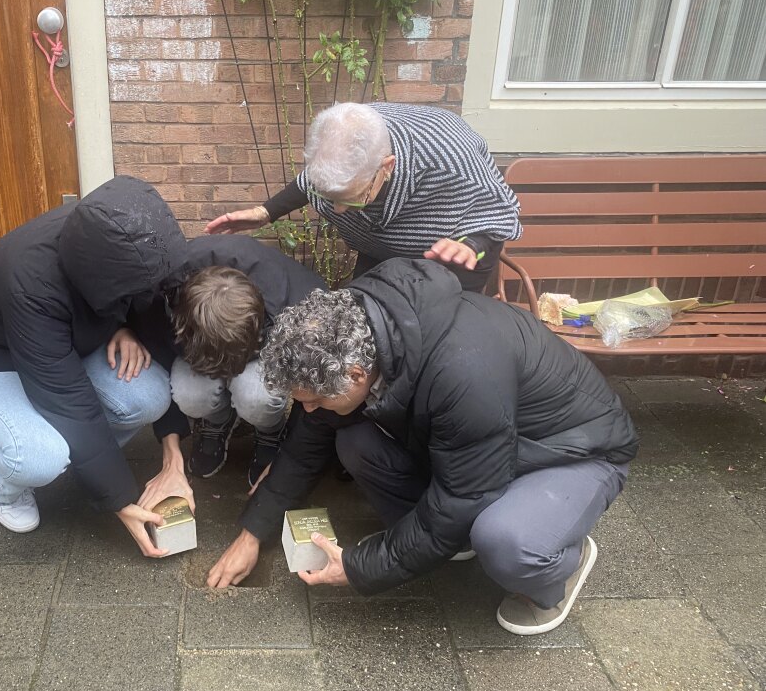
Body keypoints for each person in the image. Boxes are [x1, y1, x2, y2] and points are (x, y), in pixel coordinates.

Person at [207, 259, 639, 635]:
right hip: (490, 446)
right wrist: (253, 532)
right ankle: (461, 538)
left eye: (316, 400)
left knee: (506, 539)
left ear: (357, 376)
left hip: (571, 452)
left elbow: (462, 496)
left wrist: (363, 566)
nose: (310, 409)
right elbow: (305, 444)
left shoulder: (464, 372)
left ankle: (555, 565)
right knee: (354, 440)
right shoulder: (362, 332)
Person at [0, 176, 194, 557]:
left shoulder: (116, 241)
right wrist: (121, 501)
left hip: (66, 341)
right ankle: (3, 475)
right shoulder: (30, 281)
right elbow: (68, 398)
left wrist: (174, 457)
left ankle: (84, 459)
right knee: (41, 456)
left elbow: (151, 318)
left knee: (149, 395)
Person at [204, 102, 521, 293]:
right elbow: (319, 182)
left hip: (454, 256)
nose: (339, 211)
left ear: (387, 167)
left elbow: (501, 214)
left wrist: (470, 245)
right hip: (379, 243)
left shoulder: (450, 162)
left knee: (439, 337)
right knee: (366, 316)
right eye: (332, 199)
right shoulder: (343, 138)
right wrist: (266, 211)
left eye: (352, 200)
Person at [166, 235, 326, 486]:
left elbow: (311, 394)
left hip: (264, 345)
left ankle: (270, 431)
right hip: (204, 343)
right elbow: (143, 321)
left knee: (257, 397)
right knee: (189, 393)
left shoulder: (301, 310)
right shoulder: (169, 280)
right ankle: (217, 421)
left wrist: (292, 456)